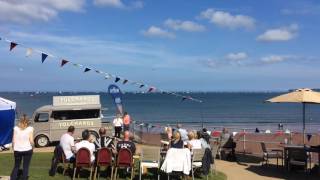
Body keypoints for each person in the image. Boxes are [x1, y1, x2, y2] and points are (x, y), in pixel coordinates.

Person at [10, 114, 34, 180]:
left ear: (20, 121)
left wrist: (13, 148)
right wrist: (33, 148)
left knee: (16, 166)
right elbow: (31, 140)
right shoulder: (30, 128)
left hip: (17, 150)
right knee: (25, 166)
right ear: (28, 121)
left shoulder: (16, 128)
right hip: (27, 150)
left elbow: (13, 141)